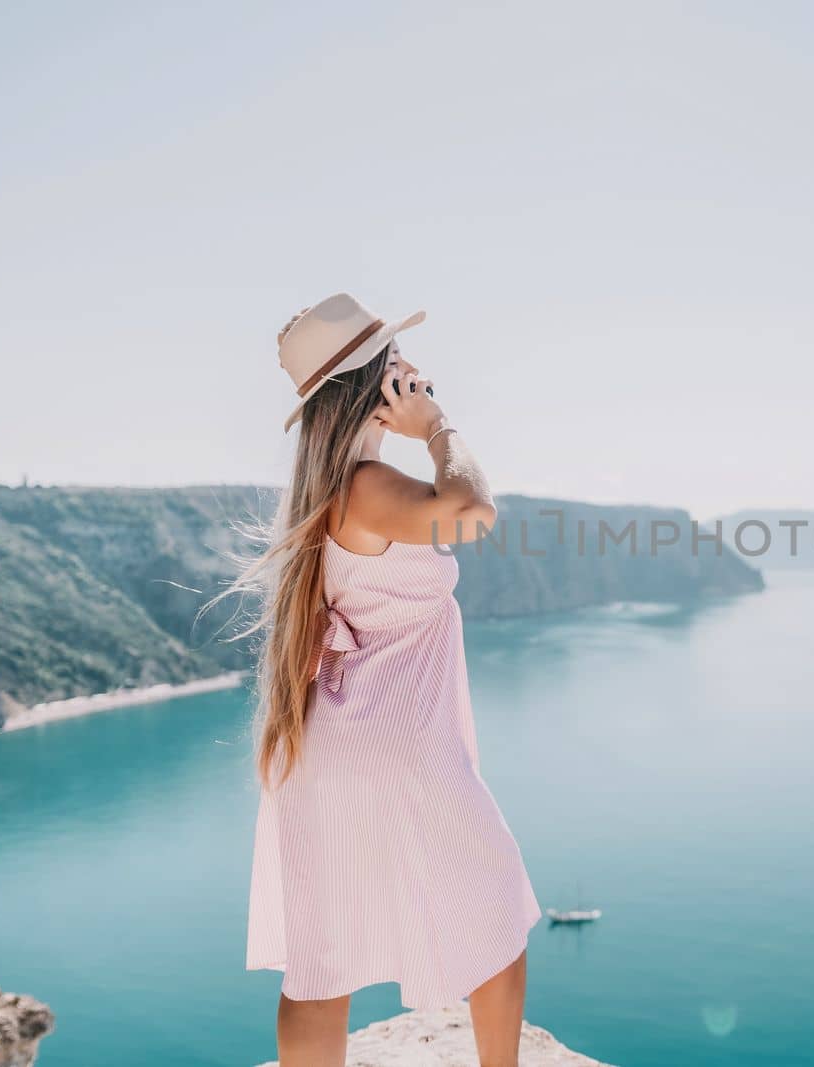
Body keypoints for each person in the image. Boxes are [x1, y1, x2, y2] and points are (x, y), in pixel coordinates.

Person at [235, 292, 541, 1067]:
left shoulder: (325, 493)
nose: (414, 372)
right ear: (374, 383)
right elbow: (472, 510)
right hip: (400, 745)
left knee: (320, 963)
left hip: (325, 747)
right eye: (397, 362)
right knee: (496, 908)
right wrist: (437, 425)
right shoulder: (368, 486)